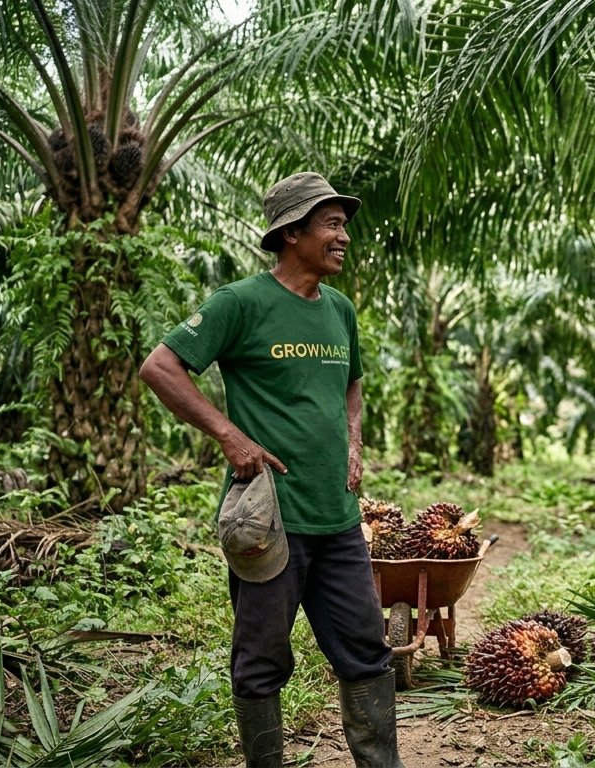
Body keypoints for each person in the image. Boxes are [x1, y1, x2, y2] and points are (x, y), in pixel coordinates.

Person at [139, 172, 403, 768]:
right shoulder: (242, 303)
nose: (344, 238)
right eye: (332, 225)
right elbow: (160, 366)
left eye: (343, 225)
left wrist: (354, 441)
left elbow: (353, 382)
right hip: (268, 521)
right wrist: (231, 437)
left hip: (337, 519)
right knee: (261, 662)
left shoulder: (340, 309)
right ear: (292, 232)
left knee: (366, 651)